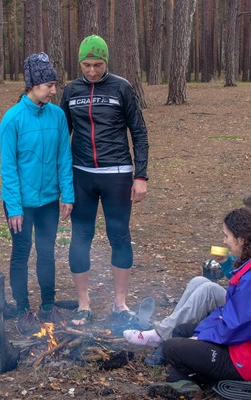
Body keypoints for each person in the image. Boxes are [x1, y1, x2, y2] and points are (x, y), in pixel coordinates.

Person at [124, 189, 251, 366]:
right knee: (199, 281)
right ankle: (166, 333)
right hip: (246, 305)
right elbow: (243, 279)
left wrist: (205, 334)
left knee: (207, 289)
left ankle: (161, 336)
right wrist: (228, 262)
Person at [60, 35, 149, 326]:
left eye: (98, 65)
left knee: (119, 236)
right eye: (86, 65)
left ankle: (120, 305)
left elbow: (139, 132)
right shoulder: (71, 90)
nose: (92, 71)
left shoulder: (121, 87)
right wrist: (62, 182)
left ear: (106, 61)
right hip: (81, 175)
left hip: (117, 175)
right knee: (81, 237)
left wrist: (140, 175)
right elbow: (63, 137)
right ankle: (83, 304)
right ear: (80, 63)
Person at [147, 207, 251, 399]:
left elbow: (239, 327)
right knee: (182, 331)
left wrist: (205, 338)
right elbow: (227, 312)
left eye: (226, 236)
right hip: (241, 343)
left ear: (240, 240)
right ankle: (185, 383)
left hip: (249, 358)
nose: (224, 241)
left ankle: (188, 382)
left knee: (171, 348)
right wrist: (201, 333)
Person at [0, 52, 74, 334]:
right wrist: (14, 206)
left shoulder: (57, 116)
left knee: (46, 251)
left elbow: (64, 158)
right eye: (49, 85)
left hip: (49, 200)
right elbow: (8, 168)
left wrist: (67, 194)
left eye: (54, 85)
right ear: (32, 85)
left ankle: (48, 304)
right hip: (21, 204)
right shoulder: (12, 119)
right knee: (21, 251)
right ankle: (21, 309)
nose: (54, 91)